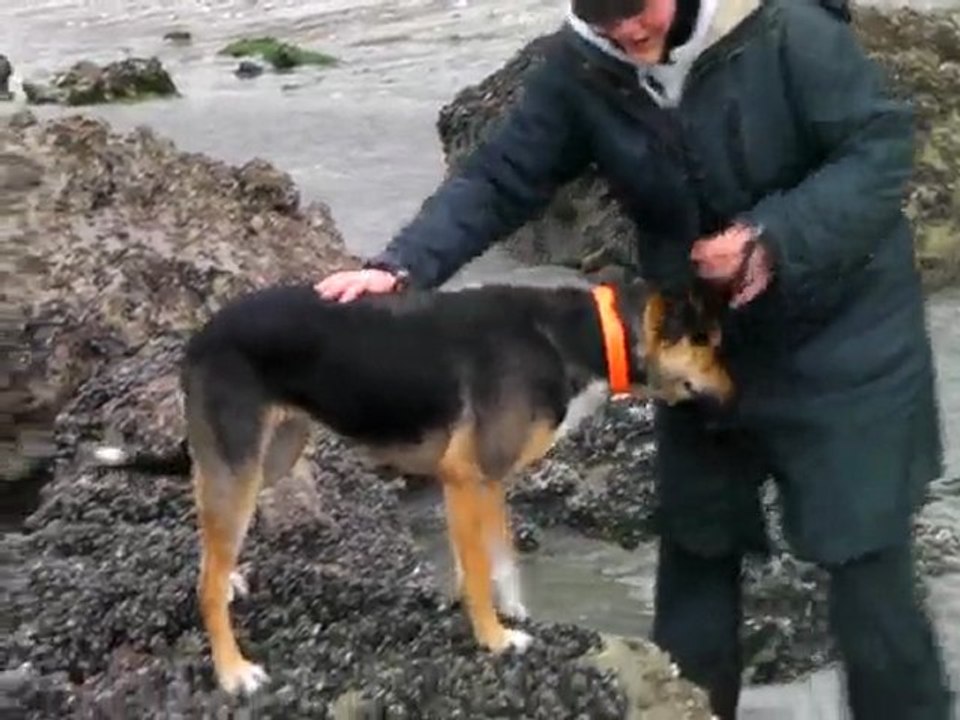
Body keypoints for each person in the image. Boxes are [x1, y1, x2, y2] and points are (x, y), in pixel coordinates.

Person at [316, 0, 953, 717]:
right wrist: (401, 267)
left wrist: (771, 237)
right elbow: (499, 178)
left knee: (868, 573)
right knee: (696, 560)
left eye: (637, 5)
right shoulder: (582, 65)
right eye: (602, 11)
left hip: (845, 341)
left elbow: (879, 148)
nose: (626, 29)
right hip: (693, 347)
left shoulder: (788, 29)